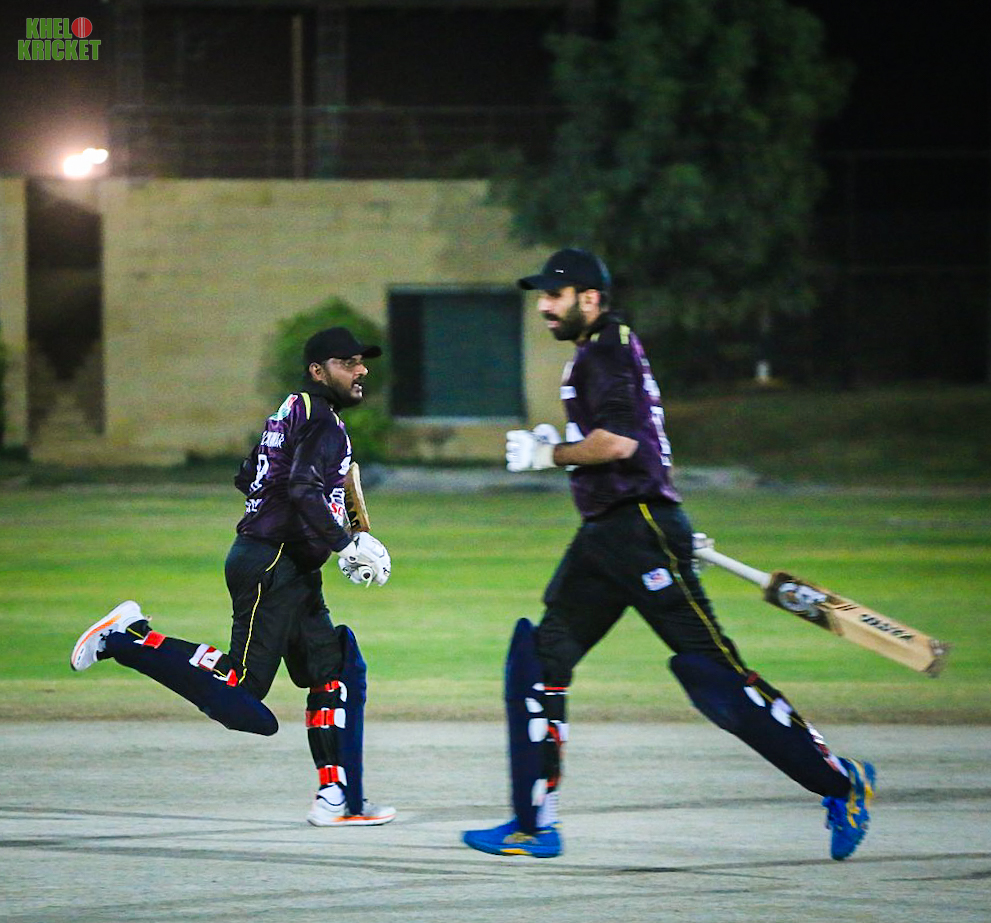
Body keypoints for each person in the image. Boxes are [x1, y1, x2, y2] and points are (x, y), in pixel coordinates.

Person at [461, 248, 875, 860]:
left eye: (555, 295)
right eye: (542, 296)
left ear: (590, 299)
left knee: (715, 676)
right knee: (538, 661)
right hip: (611, 534)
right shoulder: (602, 349)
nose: (544, 306)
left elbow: (620, 442)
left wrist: (551, 455)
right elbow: (627, 439)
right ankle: (533, 824)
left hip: (639, 529)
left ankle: (842, 782)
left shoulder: (606, 349)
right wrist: (573, 449)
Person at [70, 326, 396, 827]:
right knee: (243, 694)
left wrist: (327, 529)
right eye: (347, 363)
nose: (361, 371)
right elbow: (302, 488)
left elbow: (250, 476)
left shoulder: (289, 412)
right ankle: (130, 637)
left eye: (361, 362)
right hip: (272, 564)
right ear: (317, 371)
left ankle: (335, 798)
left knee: (330, 671)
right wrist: (344, 542)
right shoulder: (323, 423)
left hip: (287, 564)